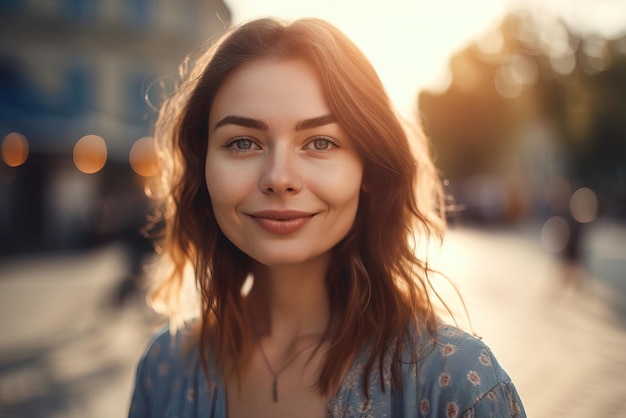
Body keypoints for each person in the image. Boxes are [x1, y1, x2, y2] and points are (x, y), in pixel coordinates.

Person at [128, 17, 526, 418]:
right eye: (243, 142)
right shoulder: (164, 370)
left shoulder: (457, 383)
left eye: (321, 142)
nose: (279, 178)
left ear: (369, 169)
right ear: (203, 167)